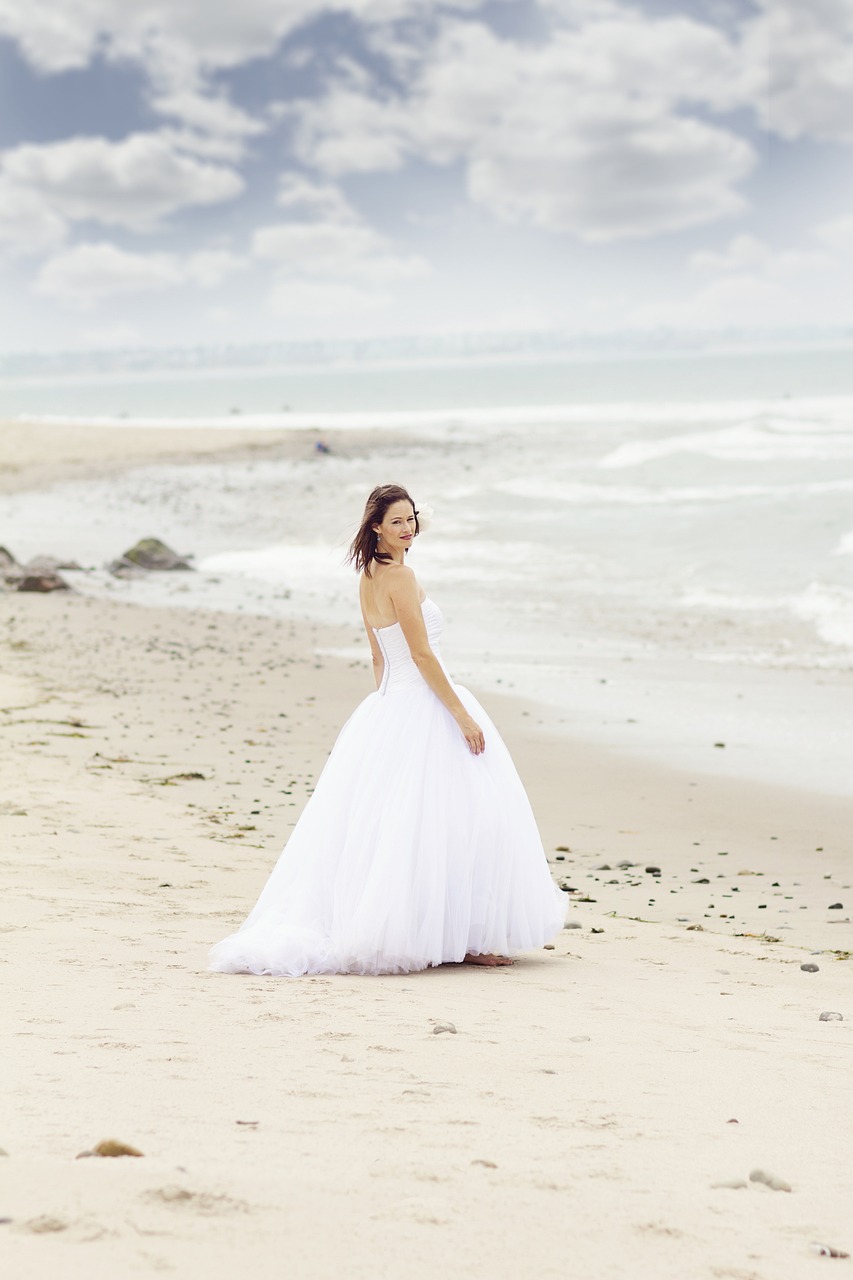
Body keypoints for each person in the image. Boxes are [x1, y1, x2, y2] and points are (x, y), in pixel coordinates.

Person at [209, 484, 566, 977]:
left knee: (407, 827)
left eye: (411, 519)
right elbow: (420, 655)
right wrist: (460, 713)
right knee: (460, 821)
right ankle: (463, 939)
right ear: (376, 526)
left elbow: (380, 656)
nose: (407, 528)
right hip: (422, 701)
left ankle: (452, 934)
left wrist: (387, 712)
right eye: (396, 521)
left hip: (392, 705)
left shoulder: (368, 575)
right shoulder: (399, 575)